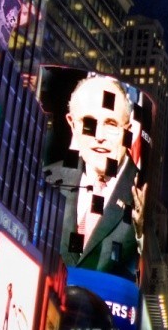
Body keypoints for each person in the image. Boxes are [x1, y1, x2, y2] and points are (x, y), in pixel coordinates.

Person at [54, 73, 145, 279]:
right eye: (89, 123)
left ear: (127, 130)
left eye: (111, 124)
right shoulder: (47, 179)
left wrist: (142, 233)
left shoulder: (144, 196)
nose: (99, 136)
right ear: (72, 124)